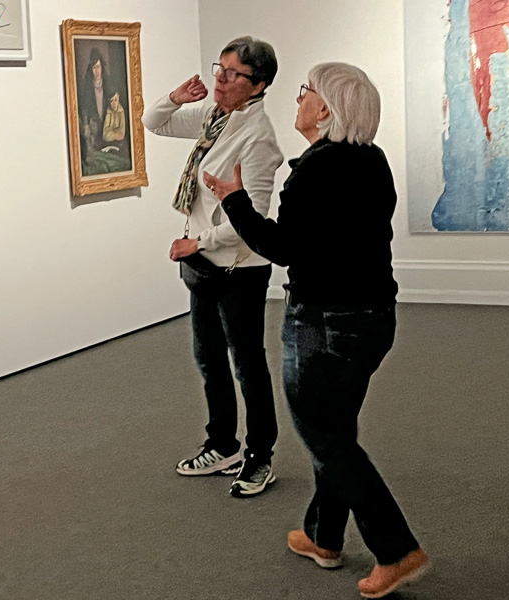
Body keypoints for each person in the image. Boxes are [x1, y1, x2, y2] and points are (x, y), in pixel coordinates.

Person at [203, 62, 429, 597]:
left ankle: (397, 549)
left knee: (325, 438)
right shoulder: (372, 160)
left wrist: (234, 198)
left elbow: (281, 248)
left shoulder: (315, 170)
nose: (298, 98)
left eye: (305, 91)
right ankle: (323, 537)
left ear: (324, 108)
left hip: (324, 324)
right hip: (374, 318)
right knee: (336, 428)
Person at [142, 37, 283, 498]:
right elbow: (153, 123)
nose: (220, 80)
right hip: (204, 263)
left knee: (247, 365)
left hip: (239, 268)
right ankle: (222, 444)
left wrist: (196, 241)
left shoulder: (258, 138)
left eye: (233, 74)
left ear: (258, 85)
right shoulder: (214, 118)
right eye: (219, 69)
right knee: (209, 360)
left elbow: (251, 221)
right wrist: (175, 97)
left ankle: (259, 457)